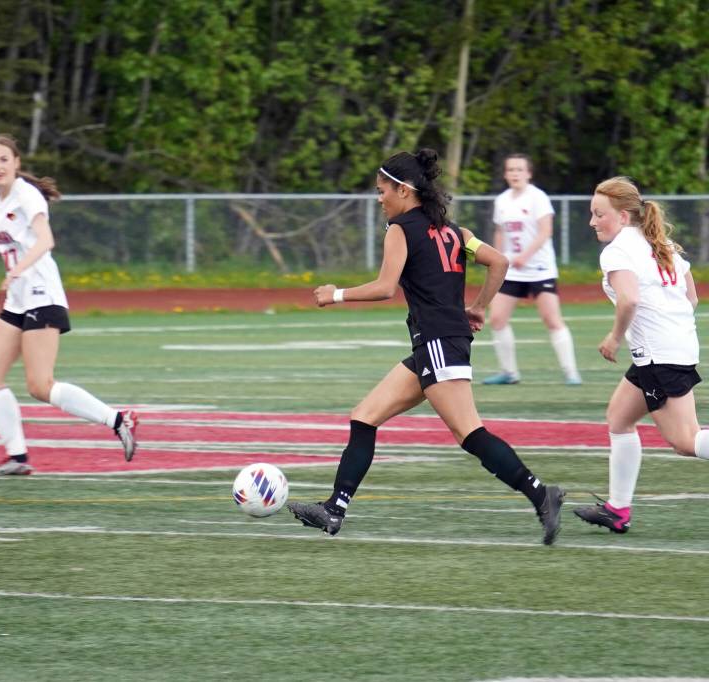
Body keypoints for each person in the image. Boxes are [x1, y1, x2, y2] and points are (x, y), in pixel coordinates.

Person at [287, 148, 566, 545]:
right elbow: (499, 262)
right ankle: (335, 508)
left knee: (470, 433)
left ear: (404, 190)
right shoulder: (456, 233)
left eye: (383, 190)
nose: (379, 197)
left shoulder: (400, 229)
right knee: (364, 415)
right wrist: (479, 308)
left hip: (438, 342)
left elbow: (385, 287)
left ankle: (542, 495)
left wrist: (335, 294)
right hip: (435, 343)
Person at [0, 133, 137, 475]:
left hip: (42, 295)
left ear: (16, 162)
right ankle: (17, 458)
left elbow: (45, 240)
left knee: (40, 385)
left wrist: (16, 271)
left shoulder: (27, 195)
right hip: (17, 300)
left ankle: (118, 420)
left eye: (4, 159)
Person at [574, 176, 709, 533]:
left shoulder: (618, 251)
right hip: (669, 349)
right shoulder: (660, 242)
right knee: (619, 417)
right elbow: (691, 299)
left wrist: (615, 337)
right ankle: (618, 510)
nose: (592, 221)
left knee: (685, 440)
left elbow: (630, 298)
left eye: (598, 214)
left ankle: (618, 509)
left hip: (658, 355)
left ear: (622, 216)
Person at [483, 154, 581, 386]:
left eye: (519, 169)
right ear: (506, 174)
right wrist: (500, 258)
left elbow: (545, 231)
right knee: (496, 318)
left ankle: (571, 372)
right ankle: (509, 372)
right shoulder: (503, 200)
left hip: (539, 269)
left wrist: (524, 256)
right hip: (512, 270)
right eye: (511, 170)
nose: (515, 173)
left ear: (529, 173)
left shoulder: (538, 197)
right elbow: (500, 232)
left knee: (552, 319)